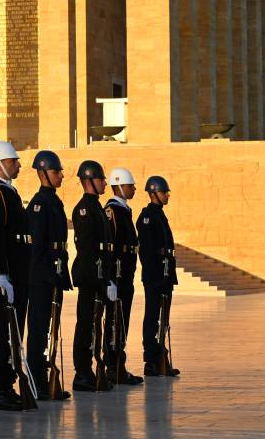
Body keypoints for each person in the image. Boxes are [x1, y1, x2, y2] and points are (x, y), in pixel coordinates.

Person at [0, 140, 32, 411]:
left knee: (14, 331)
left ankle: (8, 383)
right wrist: (2, 273)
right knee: (4, 330)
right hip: (8, 273)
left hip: (17, 272)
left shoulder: (10, 192)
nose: (19, 165)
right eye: (14, 161)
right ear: (0, 163)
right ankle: (0, 388)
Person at [25, 149, 72, 400]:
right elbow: (36, 246)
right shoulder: (39, 204)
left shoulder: (54, 201)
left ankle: (46, 379)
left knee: (50, 327)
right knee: (39, 328)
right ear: (43, 174)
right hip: (41, 276)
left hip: (54, 272)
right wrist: (38, 276)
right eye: (57, 171)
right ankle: (37, 381)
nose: (61, 175)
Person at [70, 159, 117, 392]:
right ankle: (82, 372)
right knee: (86, 324)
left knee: (94, 325)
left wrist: (107, 278)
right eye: (101, 179)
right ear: (89, 181)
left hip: (99, 276)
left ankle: (90, 369)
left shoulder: (97, 207)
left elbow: (105, 248)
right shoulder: (85, 209)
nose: (105, 183)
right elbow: (88, 250)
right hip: (89, 277)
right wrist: (100, 279)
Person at [137, 175, 180, 377]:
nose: (167, 195)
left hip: (164, 273)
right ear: (154, 194)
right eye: (164, 192)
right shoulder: (147, 217)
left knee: (164, 318)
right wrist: (155, 276)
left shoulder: (160, 215)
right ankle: (151, 360)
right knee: (153, 317)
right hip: (155, 276)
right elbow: (146, 252)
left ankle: (161, 356)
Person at [105, 167, 144, 385]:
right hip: (118, 276)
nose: (134, 189)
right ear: (119, 186)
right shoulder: (112, 211)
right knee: (114, 321)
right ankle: (112, 365)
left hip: (126, 275)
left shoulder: (124, 210)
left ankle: (119, 364)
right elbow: (110, 246)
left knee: (123, 320)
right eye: (130, 186)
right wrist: (110, 278)